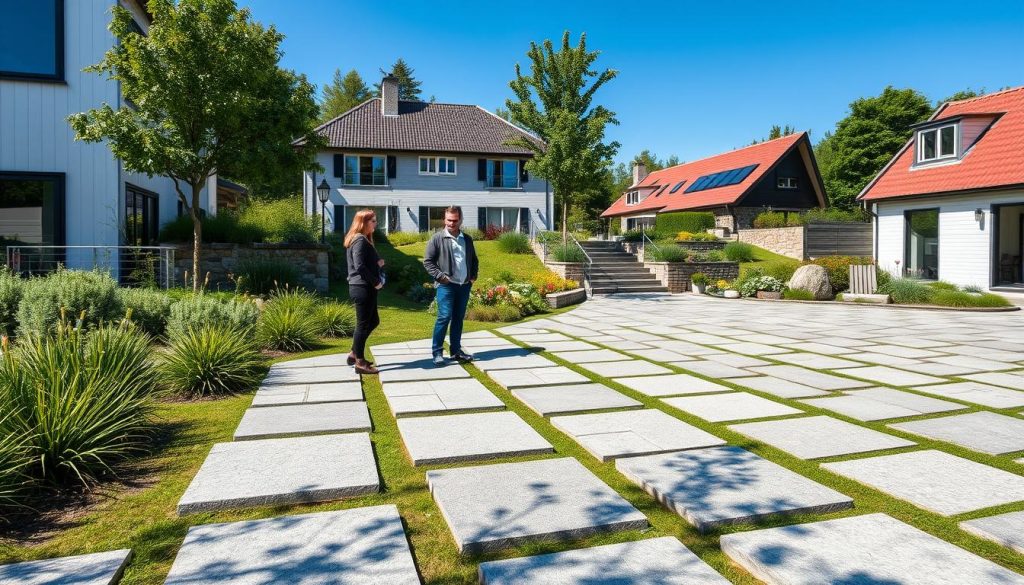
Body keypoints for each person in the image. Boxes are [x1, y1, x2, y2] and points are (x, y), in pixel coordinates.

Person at [423, 206, 479, 366]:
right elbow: (428, 262)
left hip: (464, 285)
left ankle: (456, 351)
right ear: (444, 220)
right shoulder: (437, 238)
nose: (451, 223)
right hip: (446, 286)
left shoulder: (467, 239)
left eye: (455, 220)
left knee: (458, 319)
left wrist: (473, 275)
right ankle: (437, 352)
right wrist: (441, 277)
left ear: (460, 220)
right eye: (449, 220)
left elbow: (474, 259)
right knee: (444, 317)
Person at [345, 209, 385, 375]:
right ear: (363, 223)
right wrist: (375, 282)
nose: (376, 223)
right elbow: (359, 265)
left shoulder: (362, 239)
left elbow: (363, 263)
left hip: (363, 287)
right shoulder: (360, 240)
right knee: (362, 325)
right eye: (373, 221)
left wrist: (378, 264)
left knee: (373, 321)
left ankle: (355, 352)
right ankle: (360, 362)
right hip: (362, 287)